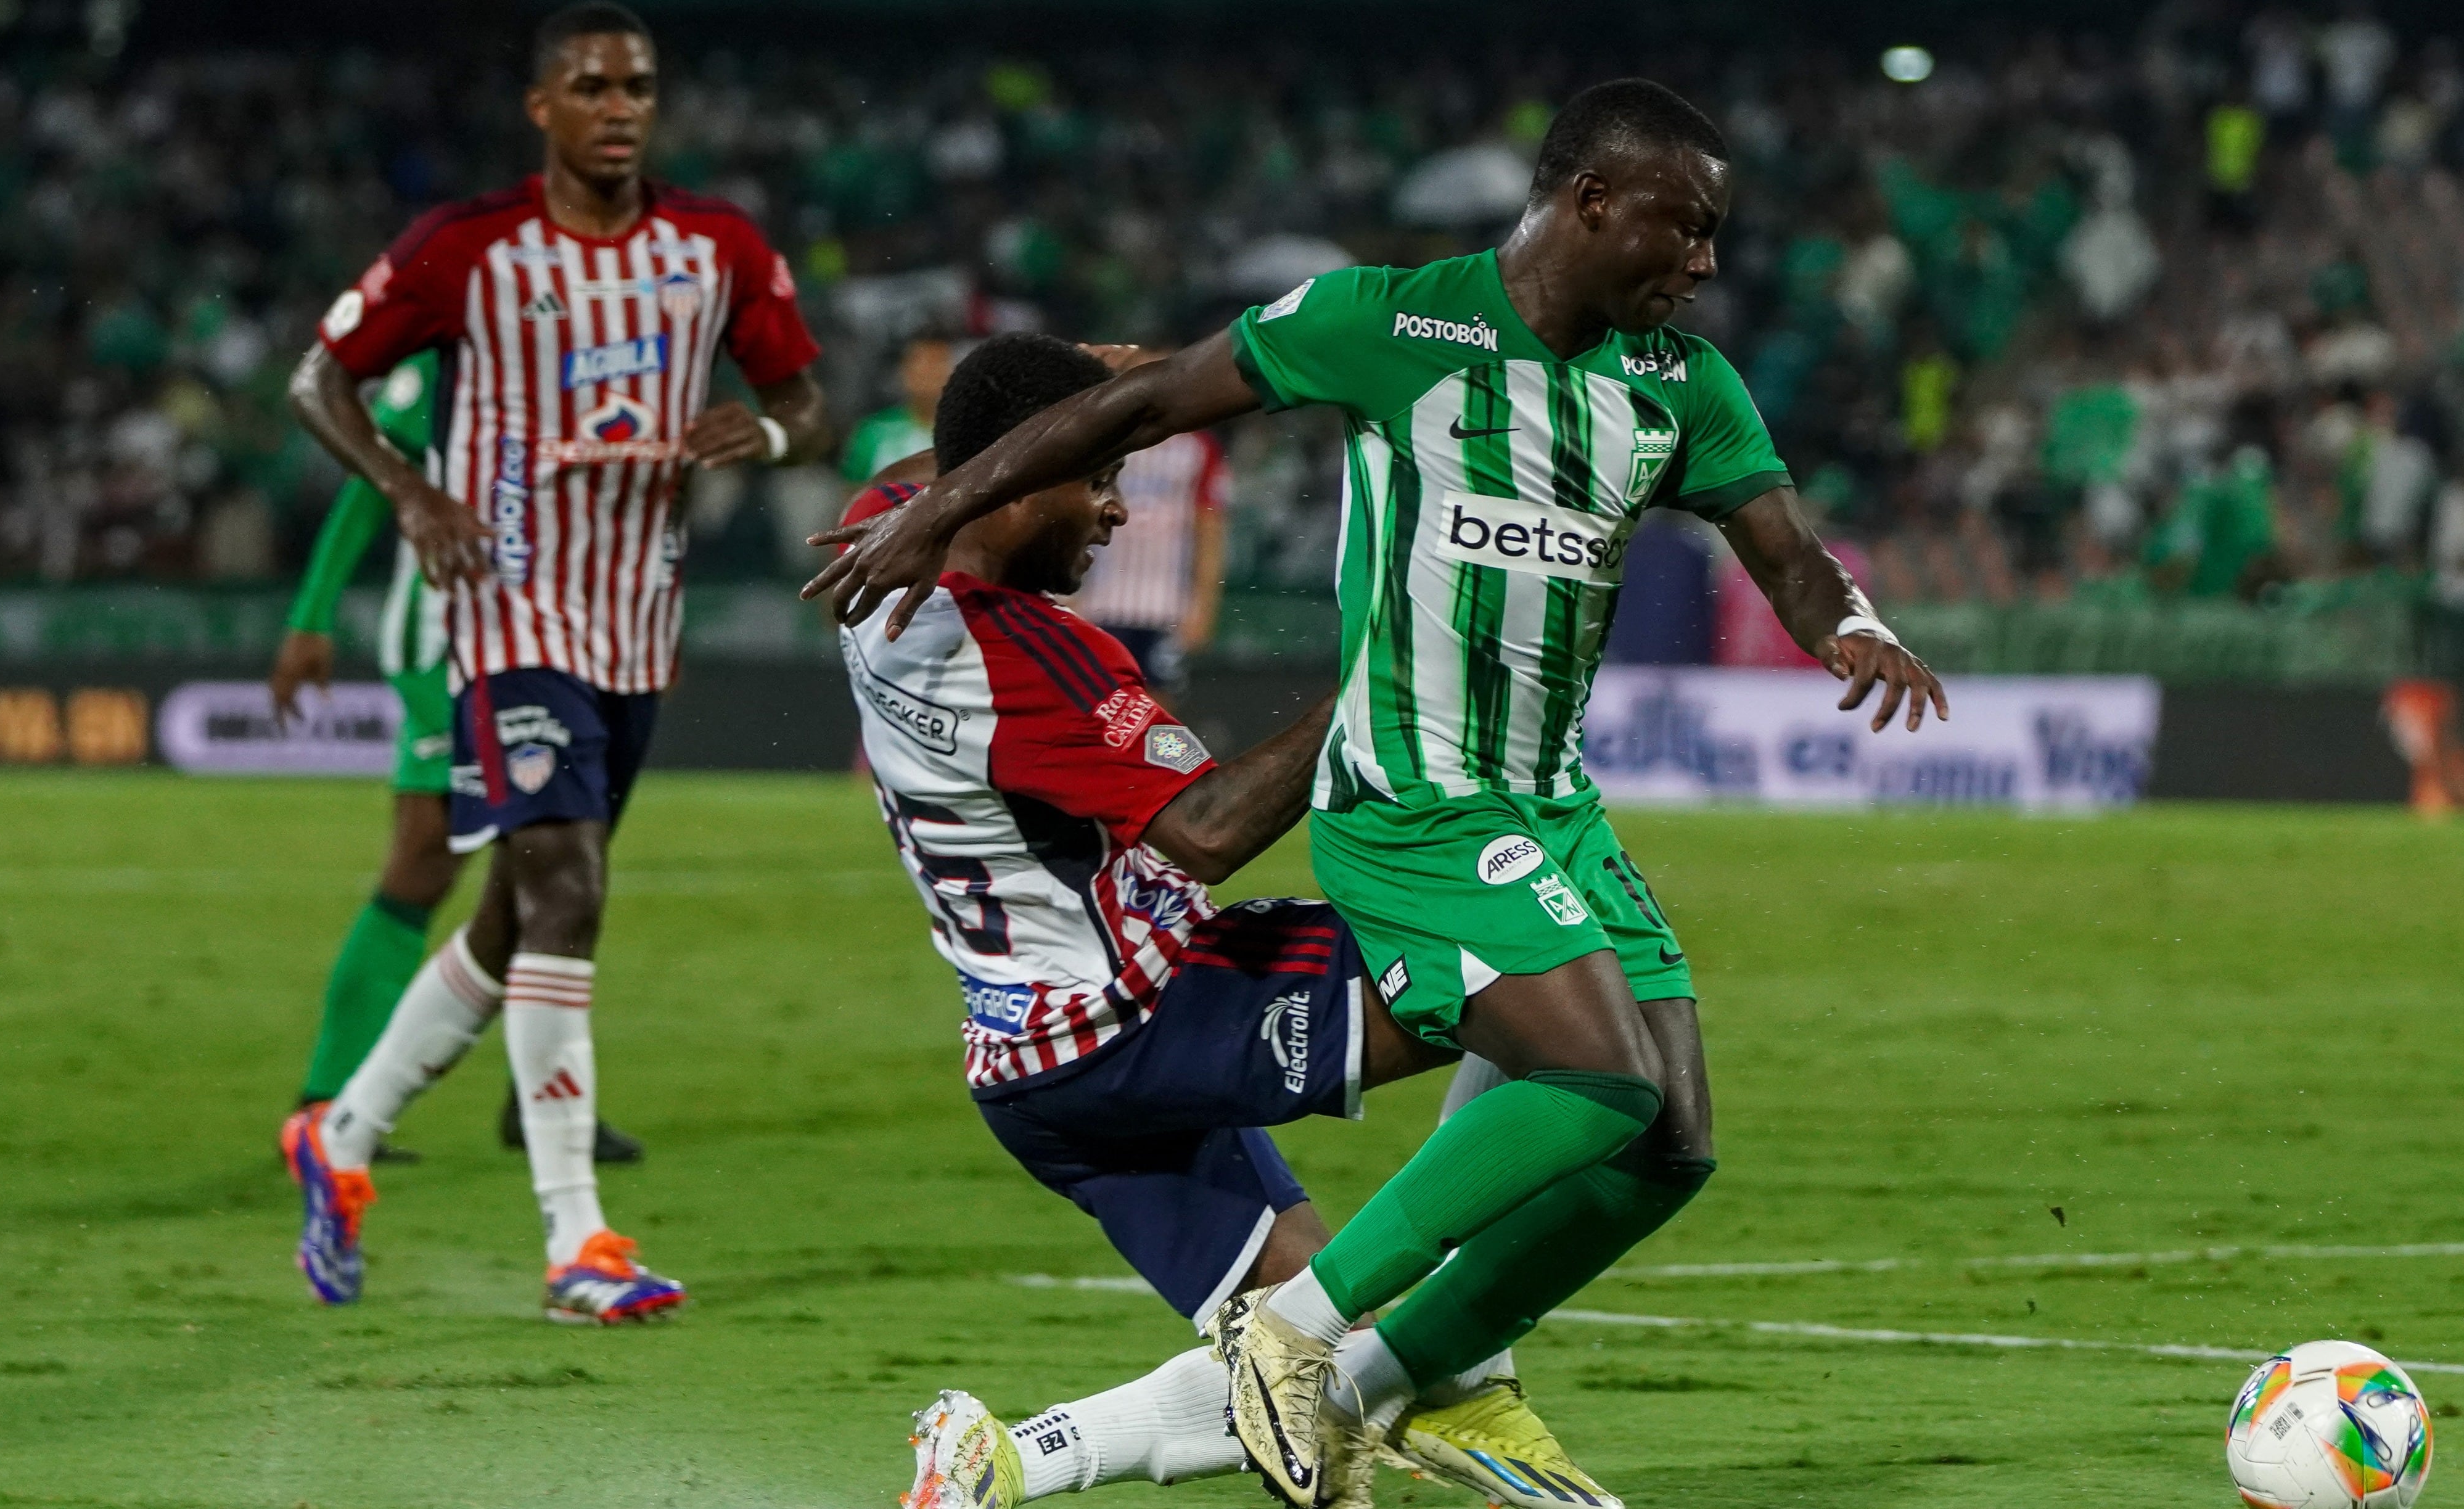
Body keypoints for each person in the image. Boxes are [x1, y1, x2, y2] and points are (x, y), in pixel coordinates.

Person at [815, 80, 1947, 1501]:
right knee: (1586, 1063)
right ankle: (1325, 1350)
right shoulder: (1390, 324)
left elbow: (1784, 548)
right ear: (1593, 203)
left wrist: (1849, 616)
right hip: (1388, 812)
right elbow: (1165, 417)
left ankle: (1321, 1391)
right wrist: (969, 485)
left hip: (1523, 809)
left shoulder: (1682, 386)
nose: (1708, 262)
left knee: (1666, 1140)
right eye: (1690, 226)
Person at [842, 334, 1612, 1509]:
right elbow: (1202, 828)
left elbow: (952, 449)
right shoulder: (1019, 655)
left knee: (1332, 1359)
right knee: (1531, 966)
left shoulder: (877, 546)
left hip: (1029, 1070)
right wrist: (1382, 679)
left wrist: (1085, 389)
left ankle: (1000, 1461)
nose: (1115, 509)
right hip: (1147, 1016)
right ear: (1014, 471)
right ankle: (1479, 1375)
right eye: (1097, 474)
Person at [279, 0, 829, 1323]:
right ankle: (579, 1239)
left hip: (636, 620)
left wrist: (751, 439)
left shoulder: (719, 249)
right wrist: (412, 494)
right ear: (543, 109)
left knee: (515, 913)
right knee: (564, 881)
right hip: (508, 609)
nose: (618, 104)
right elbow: (318, 381)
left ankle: (339, 1137)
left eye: (636, 83)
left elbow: (806, 404)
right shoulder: (465, 250)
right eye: (589, 85)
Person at [268, 351, 643, 1167]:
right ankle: (328, 1100)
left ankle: (533, 1096)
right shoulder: (449, 353)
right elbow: (372, 486)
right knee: (436, 859)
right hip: (447, 634)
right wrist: (312, 614)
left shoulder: (597, 348)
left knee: (550, 855)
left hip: (548, 634)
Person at [1068, 397, 1227, 697]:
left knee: (1161, 715)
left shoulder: (1197, 448)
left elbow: (1210, 529)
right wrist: (1069, 591)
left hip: (1166, 608)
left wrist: (1204, 604)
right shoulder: (1102, 443)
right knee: (1095, 704)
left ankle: (1158, 749)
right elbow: (1072, 513)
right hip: (1100, 603)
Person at [842, 334, 955, 483]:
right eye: (922, 361)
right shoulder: (873, 433)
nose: (930, 371)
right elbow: (852, 494)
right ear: (904, 370)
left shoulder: (962, 433)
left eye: (938, 362)